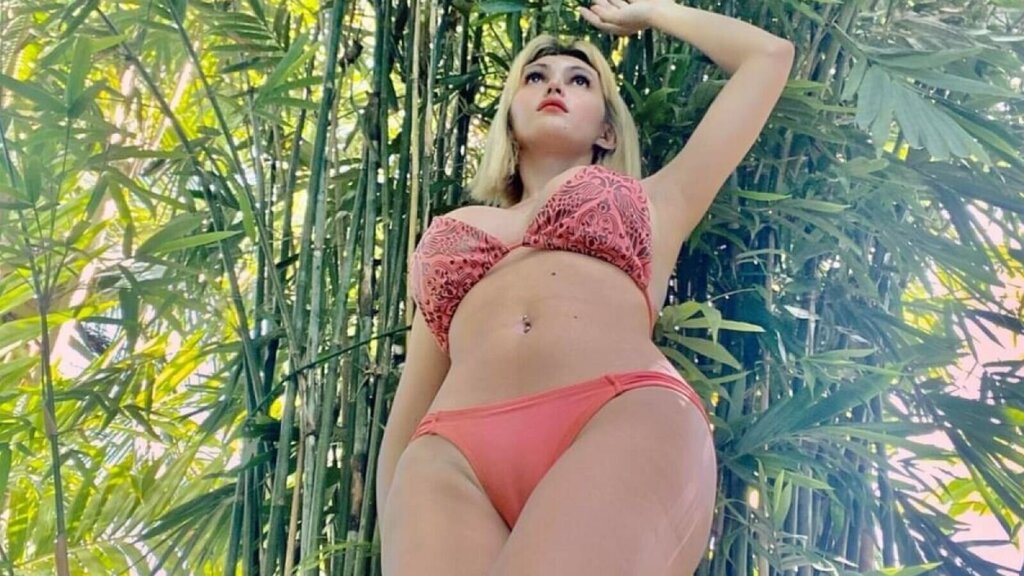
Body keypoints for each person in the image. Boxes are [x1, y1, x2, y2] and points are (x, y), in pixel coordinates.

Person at [376, 0, 794, 573]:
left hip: (619, 413)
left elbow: (768, 57)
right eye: (535, 77)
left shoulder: (658, 199)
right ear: (509, 117)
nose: (555, 85)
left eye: (580, 80)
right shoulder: (452, 229)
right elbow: (407, 412)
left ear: (606, 127)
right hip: (449, 453)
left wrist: (652, 11)